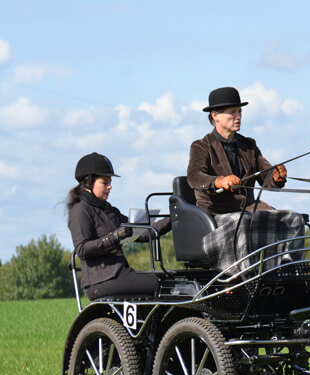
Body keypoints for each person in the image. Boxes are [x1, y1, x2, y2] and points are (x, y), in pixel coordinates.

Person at [68, 152, 164, 300]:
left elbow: (144, 233)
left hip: (120, 274)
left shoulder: (110, 211)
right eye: (105, 182)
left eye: (110, 182)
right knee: (162, 285)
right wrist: (114, 237)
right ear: (88, 182)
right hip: (101, 281)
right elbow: (82, 249)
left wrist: (174, 217)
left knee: (169, 281)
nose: (110, 186)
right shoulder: (81, 210)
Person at [187, 86, 288, 216]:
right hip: (216, 213)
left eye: (239, 112)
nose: (238, 116)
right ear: (215, 115)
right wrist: (219, 181)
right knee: (247, 223)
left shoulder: (249, 145)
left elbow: (266, 179)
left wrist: (276, 177)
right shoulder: (201, 146)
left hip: (248, 210)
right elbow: (194, 176)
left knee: (291, 218)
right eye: (233, 112)